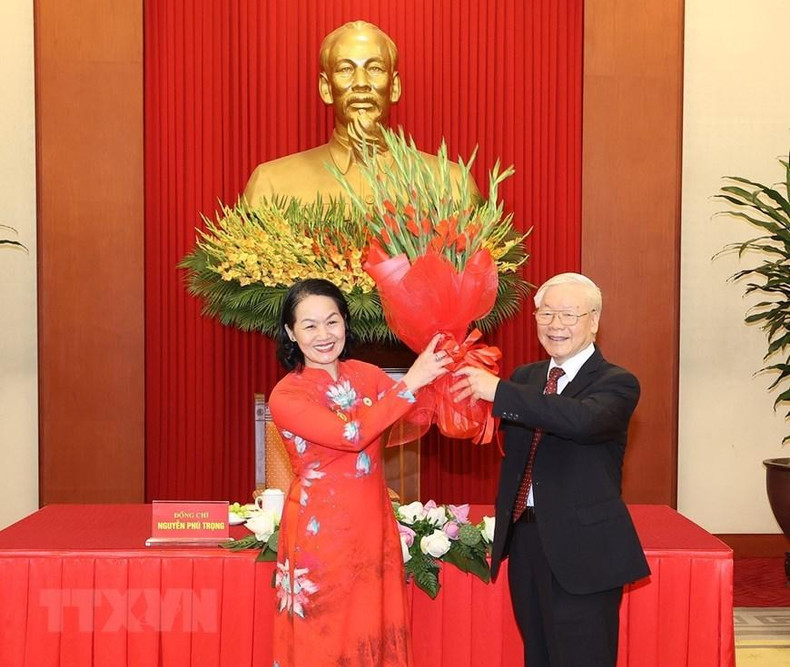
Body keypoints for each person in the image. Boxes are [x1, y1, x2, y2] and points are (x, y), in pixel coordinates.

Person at [451, 272, 649, 667]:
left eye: (569, 315)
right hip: (526, 539)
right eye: (546, 314)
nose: (555, 324)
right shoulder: (526, 377)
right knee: (537, 655)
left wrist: (499, 391)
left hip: (584, 549)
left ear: (594, 321)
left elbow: (580, 420)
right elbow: (486, 423)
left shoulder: (617, 382)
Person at [267, 278, 450, 667]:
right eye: (310, 325)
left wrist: (448, 376)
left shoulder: (366, 374)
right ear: (291, 333)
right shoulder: (286, 395)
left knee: (373, 629)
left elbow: (416, 415)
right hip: (321, 534)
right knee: (326, 637)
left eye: (332, 321)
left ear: (345, 323)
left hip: (373, 526)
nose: (324, 335)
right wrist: (412, 380)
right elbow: (351, 435)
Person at [243, 20, 479, 205]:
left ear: (394, 87)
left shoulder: (453, 184)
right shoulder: (270, 184)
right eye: (345, 69)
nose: (361, 83)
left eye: (375, 68)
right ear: (326, 88)